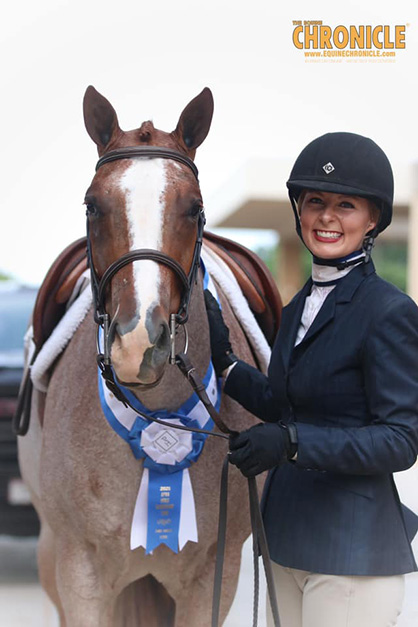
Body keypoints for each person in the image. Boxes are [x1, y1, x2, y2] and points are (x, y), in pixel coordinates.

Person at [204, 132, 418, 627]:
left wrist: (291, 444)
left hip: (352, 554)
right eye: (315, 201)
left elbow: (400, 441)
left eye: (346, 205)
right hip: (287, 540)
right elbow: (288, 404)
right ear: (299, 210)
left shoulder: (388, 312)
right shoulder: (298, 306)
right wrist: (225, 364)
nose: (327, 216)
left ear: (373, 220)